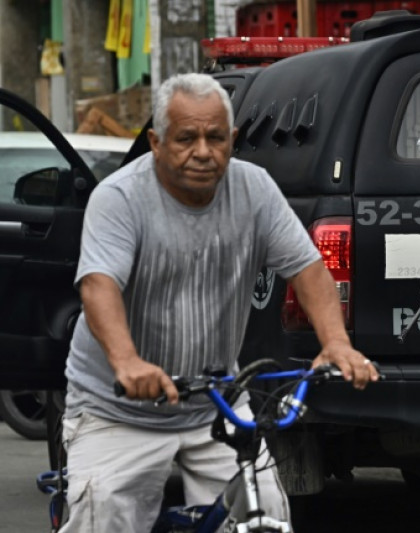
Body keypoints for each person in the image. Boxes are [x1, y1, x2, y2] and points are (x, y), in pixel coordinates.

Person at [59, 72, 378, 531]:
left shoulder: (255, 189)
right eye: (186, 138)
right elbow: (98, 284)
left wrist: (336, 343)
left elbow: (307, 268)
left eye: (215, 138)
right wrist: (127, 361)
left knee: (264, 512)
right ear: (155, 141)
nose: (203, 152)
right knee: (105, 512)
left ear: (232, 139)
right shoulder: (120, 198)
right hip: (117, 410)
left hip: (217, 404)